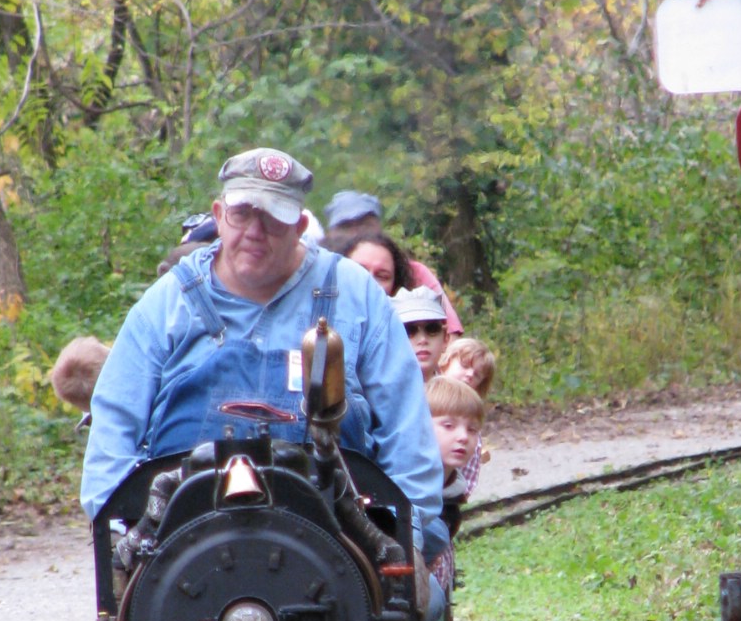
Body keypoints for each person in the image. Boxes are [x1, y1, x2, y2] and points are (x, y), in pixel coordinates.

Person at [79, 147, 442, 551]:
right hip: (181, 545)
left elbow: (408, 439)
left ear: (300, 226)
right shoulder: (166, 304)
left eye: (273, 218)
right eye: (242, 213)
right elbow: (111, 438)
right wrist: (121, 536)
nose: (255, 231)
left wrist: (402, 541)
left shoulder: (356, 296)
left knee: (425, 581)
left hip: (339, 544)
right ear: (219, 215)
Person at [323, 190, 463, 335]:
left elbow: (451, 333)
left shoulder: (414, 272)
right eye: (346, 226)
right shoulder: (319, 277)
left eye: (365, 225)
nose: (356, 233)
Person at [423, 375, 485, 592]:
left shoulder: (452, 493)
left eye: (472, 429)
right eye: (448, 426)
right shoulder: (408, 487)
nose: (463, 437)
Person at [438, 336, 497, 494]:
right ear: (446, 362)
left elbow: (468, 479)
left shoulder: (470, 428)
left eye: (477, 374)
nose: (470, 374)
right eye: (464, 366)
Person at [390, 286, 449, 382]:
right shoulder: (373, 390)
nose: (422, 340)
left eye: (432, 328)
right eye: (409, 330)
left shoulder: (458, 391)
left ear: (445, 338)